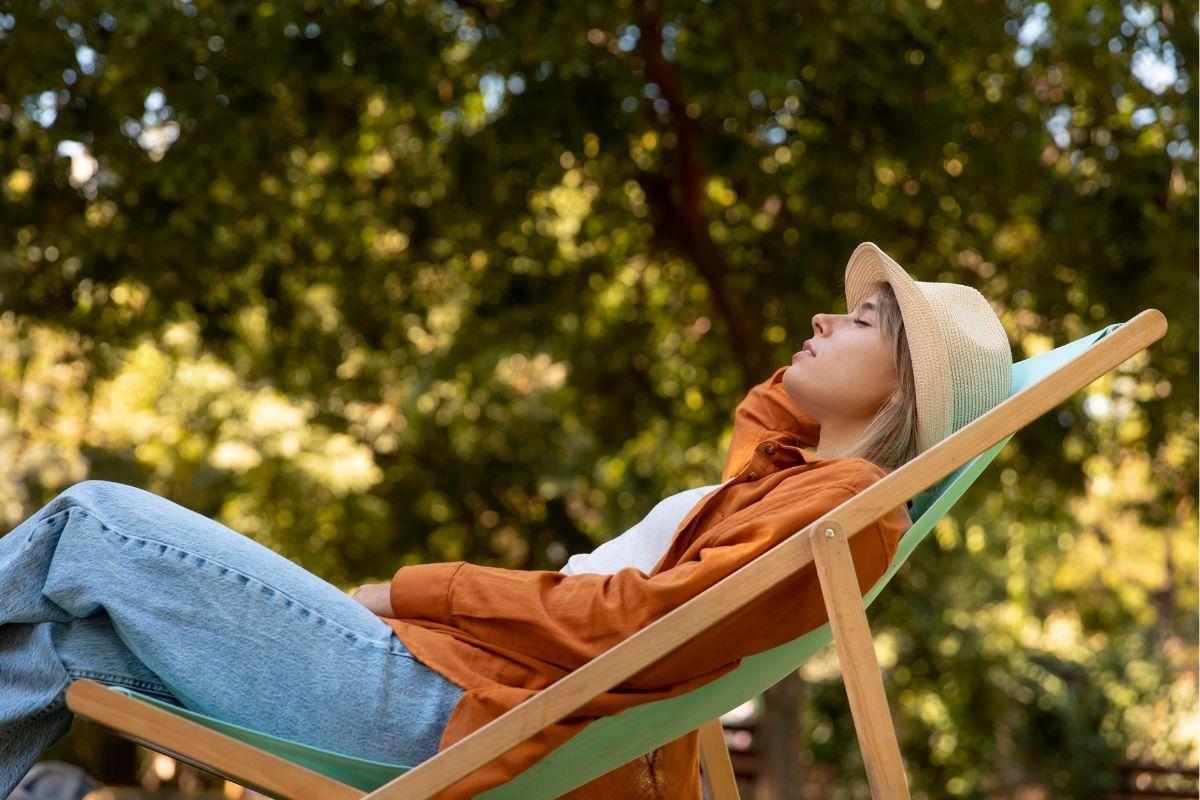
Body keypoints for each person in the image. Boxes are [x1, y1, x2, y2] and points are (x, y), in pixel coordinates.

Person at [0, 242, 1012, 799]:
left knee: (97, 524)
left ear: (906, 392)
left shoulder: (835, 511)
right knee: (64, 643)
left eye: (865, 319)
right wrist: (833, 407)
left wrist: (412, 586)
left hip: (456, 710)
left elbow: (627, 623)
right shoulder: (790, 482)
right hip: (459, 692)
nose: (826, 317)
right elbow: (764, 419)